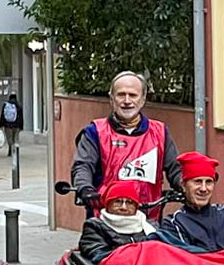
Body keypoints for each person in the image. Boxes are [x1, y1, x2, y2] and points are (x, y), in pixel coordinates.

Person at [69, 72, 183, 210]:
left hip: (148, 215)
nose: (127, 101)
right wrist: (85, 188)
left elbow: (175, 168)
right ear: (111, 99)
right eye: (121, 95)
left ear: (143, 99)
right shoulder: (94, 132)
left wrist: (185, 185)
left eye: (133, 95)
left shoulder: (160, 132)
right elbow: (83, 166)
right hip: (104, 215)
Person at [79, 180, 184, 263]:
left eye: (129, 203)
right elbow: (98, 254)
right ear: (108, 204)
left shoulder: (150, 226)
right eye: (118, 202)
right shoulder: (95, 226)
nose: (124, 207)